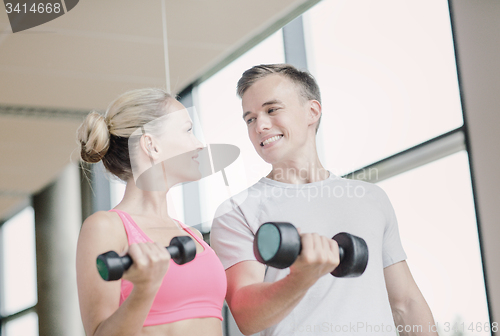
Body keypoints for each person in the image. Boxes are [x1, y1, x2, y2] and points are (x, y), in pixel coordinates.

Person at [210, 64, 438, 336]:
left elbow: (406, 304)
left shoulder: (369, 198)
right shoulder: (237, 211)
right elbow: (247, 317)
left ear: (312, 112)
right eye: (250, 118)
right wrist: (301, 278)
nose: (260, 125)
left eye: (272, 110)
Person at [76, 88, 226, 336]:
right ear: (151, 145)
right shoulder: (106, 227)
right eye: (187, 130)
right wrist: (145, 289)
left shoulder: (190, 234)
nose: (199, 144)